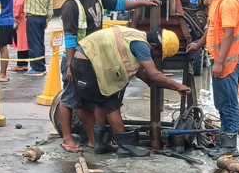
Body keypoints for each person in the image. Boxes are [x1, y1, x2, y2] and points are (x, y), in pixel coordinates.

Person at [59, 0, 162, 153]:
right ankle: (67, 138)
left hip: (93, 58)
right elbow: (70, 38)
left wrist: (144, 2)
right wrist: (69, 67)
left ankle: (93, 140)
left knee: (90, 100)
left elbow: (118, 4)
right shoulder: (71, 6)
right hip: (76, 58)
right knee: (71, 99)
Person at [74, 26, 190, 156]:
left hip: (86, 60)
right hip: (88, 62)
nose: (156, 58)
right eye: (158, 55)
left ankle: (101, 144)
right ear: (153, 46)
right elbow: (154, 74)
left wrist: (145, 79)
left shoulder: (137, 38)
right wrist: (177, 86)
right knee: (112, 104)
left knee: (102, 101)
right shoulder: (142, 45)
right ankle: (126, 147)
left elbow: (135, 63)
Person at [187, 0, 239, 158]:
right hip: (220, 60)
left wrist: (219, 62)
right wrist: (199, 44)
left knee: (228, 104)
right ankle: (223, 142)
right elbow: (212, 28)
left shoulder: (228, 2)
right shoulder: (217, 0)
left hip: (228, 63)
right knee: (221, 103)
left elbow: (228, 34)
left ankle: (229, 146)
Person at [15, 0, 54, 76]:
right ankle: (41, 66)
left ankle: (36, 68)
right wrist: (47, 20)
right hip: (42, 18)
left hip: (33, 17)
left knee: (33, 44)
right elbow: (50, 6)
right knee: (40, 43)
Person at [11, 0, 29, 72]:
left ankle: (19, 64)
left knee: (20, 42)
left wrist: (16, 15)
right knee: (25, 42)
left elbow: (19, 4)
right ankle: (25, 64)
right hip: (25, 19)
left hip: (20, 20)